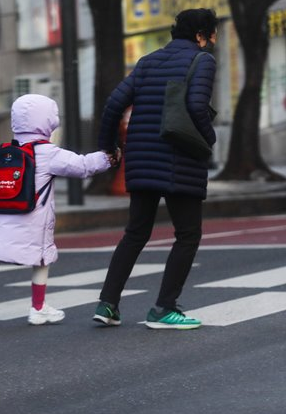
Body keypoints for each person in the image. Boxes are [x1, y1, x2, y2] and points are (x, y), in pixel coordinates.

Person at [92, 8, 218, 330]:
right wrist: (209, 139)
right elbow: (196, 106)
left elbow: (113, 105)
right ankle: (164, 308)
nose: (214, 40)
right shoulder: (202, 60)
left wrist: (110, 148)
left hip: (142, 158)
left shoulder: (148, 61)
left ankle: (107, 304)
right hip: (181, 158)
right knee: (188, 235)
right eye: (212, 33)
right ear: (201, 36)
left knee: (136, 233)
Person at [0, 94, 120, 326]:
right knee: (41, 259)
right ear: (47, 121)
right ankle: (38, 308)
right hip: (32, 219)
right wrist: (108, 158)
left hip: (1, 216)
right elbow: (82, 166)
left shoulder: (6, 151)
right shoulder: (48, 152)